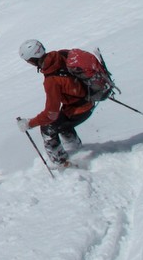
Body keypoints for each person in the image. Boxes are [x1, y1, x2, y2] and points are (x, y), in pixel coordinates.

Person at [16, 39, 94, 167]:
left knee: (48, 128)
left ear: (33, 59)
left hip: (80, 108)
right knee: (61, 123)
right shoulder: (61, 55)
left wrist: (29, 123)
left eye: (28, 61)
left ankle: (62, 164)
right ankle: (76, 151)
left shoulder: (52, 80)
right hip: (88, 99)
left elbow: (51, 114)